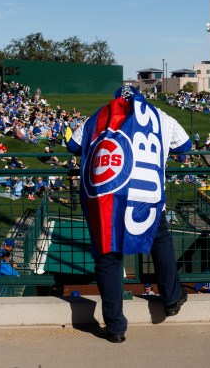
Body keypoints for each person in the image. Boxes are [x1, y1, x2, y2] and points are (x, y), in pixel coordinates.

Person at [67, 85, 190, 344]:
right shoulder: (161, 116)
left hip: (108, 197)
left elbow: (72, 145)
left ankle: (116, 327)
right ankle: (171, 298)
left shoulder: (99, 115)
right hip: (147, 197)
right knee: (160, 240)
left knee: (108, 258)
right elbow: (186, 145)